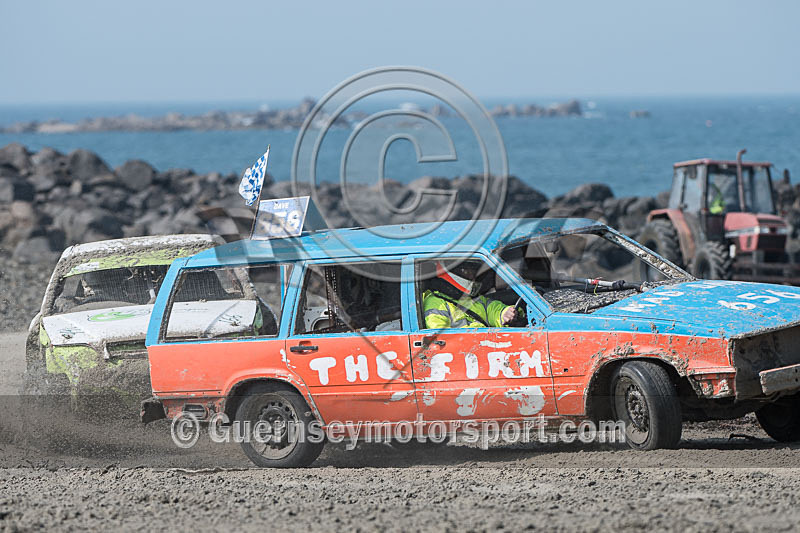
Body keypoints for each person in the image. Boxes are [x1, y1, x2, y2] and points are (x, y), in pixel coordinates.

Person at [422, 261, 517, 329]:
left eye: (473, 273)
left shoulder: (473, 298)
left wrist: (503, 313)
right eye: (466, 272)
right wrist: (478, 329)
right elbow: (440, 340)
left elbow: (490, 308)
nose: (472, 276)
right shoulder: (435, 303)